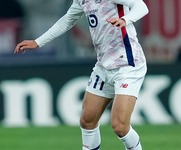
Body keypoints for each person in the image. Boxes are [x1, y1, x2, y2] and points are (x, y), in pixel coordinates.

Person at [15, 0, 149, 150]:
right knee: (87, 120)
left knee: (120, 126)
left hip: (128, 65)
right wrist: (38, 42)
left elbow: (141, 6)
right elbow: (67, 20)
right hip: (104, 65)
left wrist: (125, 19)